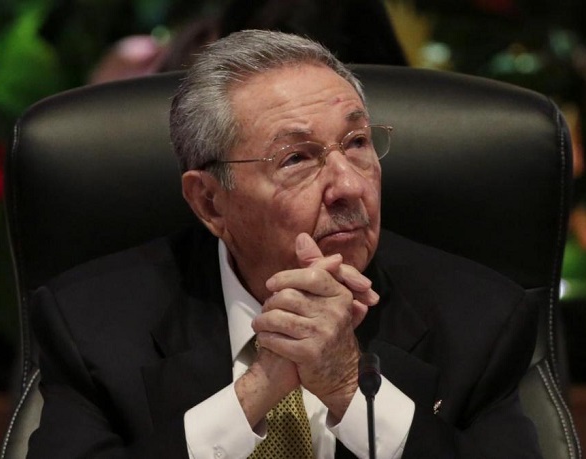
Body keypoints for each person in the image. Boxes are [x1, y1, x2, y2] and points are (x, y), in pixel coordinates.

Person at [27, 30, 541, 458]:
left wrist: (344, 383)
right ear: (209, 202)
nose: (349, 186)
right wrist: (257, 389)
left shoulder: (480, 319)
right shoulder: (91, 324)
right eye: (297, 158)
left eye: (358, 144)